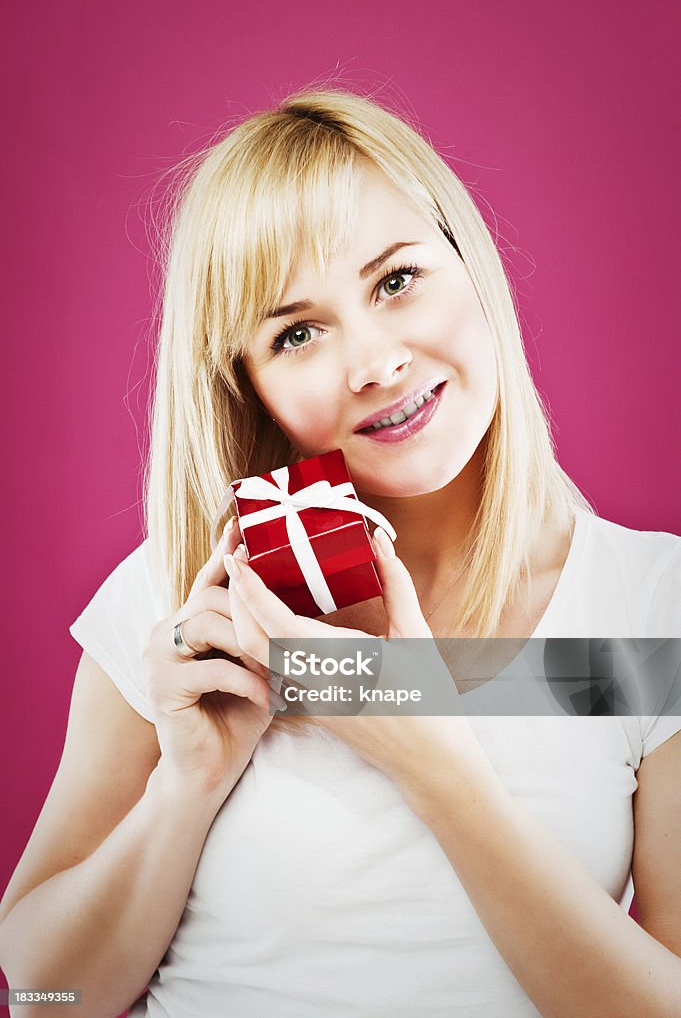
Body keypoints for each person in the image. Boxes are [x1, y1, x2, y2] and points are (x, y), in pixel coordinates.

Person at [0, 86, 679, 1018]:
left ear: (466, 261)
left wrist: (424, 754)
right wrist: (186, 781)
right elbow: (45, 997)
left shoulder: (650, 612)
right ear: (252, 391)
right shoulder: (182, 605)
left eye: (396, 279)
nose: (373, 362)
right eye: (297, 333)